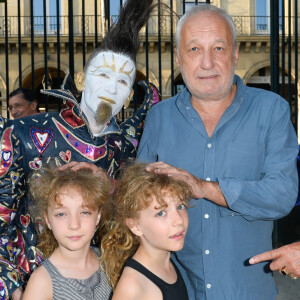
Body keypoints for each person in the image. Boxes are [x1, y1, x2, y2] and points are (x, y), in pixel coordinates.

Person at [137, 4, 298, 300]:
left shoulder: (271, 110)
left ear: (235, 53)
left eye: (219, 48)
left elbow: (282, 195)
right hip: (177, 292)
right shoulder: (159, 118)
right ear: (178, 57)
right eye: (195, 49)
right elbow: (137, 202)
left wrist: (205, 188)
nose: (207, 63)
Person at [0, 0, 157, 299]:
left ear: (127, 96)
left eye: (123, 80)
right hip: (32, 281)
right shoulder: (25, 133)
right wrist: (10, 286)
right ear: (83, 80)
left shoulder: (123, 148)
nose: (112, 88)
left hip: (99, 281)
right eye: (104, 75)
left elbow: (128, 220)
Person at [100, 163, 192, 300]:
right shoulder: (134, 287)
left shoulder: (167, 262)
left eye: (180, 206)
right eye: (161, 213)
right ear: (135, 226)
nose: (178, 220)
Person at [22, 167, 112, 300]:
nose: (74, 225)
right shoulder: (42, 282)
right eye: (61, 214)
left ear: (98, 216)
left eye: (85, 212)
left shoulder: (108, 261)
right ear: (47, 220)